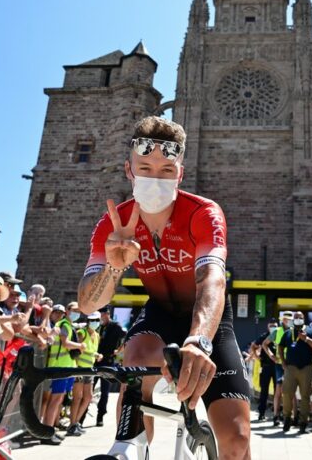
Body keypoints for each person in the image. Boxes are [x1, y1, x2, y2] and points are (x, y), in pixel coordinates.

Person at [77, 116, 251, 459]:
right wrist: (113, 266)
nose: (155, 178)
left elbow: (212, 279)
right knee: (136, 358)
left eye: (166, 170)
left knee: (237, 441)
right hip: (159, 312)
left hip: (208, 321)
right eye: (145, 168)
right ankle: (131, 447)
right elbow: (87, 304)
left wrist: (199, 341)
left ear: (180, 174)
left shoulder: (203, 212)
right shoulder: (114, 222)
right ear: (129, 170)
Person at [42, 302, 84, 444]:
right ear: (67, 310)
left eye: (79, 311)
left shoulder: (69, 325)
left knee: (58, 400)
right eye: (74, 310)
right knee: (55, 400)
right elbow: (65, 343)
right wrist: (80, 345)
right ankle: (47, 433)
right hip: (59, 367)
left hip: (66, 367)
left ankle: (50, 430)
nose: (77, 313)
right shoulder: (64, 324)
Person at [278, 311, 312, 433]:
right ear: (293, 319)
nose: (298, 319)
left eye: (300, 317)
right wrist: (283, 362)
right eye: (296, 317)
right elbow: (280, 347)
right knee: (287, 393)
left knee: (305, 396)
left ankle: (303, 423)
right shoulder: (288, 333)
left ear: (304, 319)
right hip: (290, 368)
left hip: (306, 368)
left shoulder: (310, 331)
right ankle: (287, 419)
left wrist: (306, 339)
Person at [69, 312, 102, 434]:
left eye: (97, 320)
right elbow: (77, 350)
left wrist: (97, 355)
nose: (95, 322)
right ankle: (72, 425)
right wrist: (76, 368)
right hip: (79, 368)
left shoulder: (97, 335)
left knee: (88, 397)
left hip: (90, 369)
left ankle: (76, 422)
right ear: (88, 321)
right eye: (92, 320)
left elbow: (92, 351)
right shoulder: (82, 333)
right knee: (77, 397)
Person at [96, 306, 125, 426]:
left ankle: (100, 416)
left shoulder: (115, 326)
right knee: (89, 390)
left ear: (107, 314)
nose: (101, 318)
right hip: (95, 361)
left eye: (102, 315)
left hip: (108, 361)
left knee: (104, 391)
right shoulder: (99, 326)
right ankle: (80, 419)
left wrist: (119, 350)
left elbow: (127, 337)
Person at [263, 312, 292, 426]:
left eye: (289, 319)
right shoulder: (277, 331)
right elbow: (264, 344)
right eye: (286, 319)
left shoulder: (294, 331)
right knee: (278, 390)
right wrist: (271, 356)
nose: (288, 321)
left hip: (291, 364)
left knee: (291, 391)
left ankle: (289, 416)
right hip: (279, 364)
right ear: (282, 320)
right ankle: (276, 416)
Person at [250, 319, 279, 422]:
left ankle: (276, 414)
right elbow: (254, 346)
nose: (273, 327)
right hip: (266, 366)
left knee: (277, 390)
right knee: (264, 391)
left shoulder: (279, 335)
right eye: (271, 326)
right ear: (268, 326)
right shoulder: (264, 336)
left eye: (275, 326)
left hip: (277, 366)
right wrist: (256, 356)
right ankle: (261, 413)